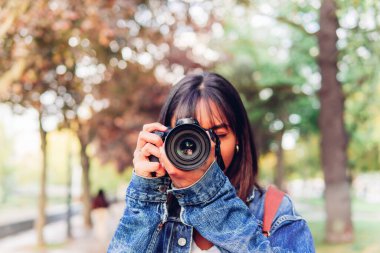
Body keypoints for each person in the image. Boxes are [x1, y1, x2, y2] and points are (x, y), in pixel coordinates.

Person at [107, 72, 315, 252]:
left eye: (218, 135)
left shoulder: (276, 211)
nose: (207, 148)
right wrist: (146, 196)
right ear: (164, 140)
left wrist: (207, 193)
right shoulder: (155, 211)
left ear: (238, 139)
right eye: (188, 139)